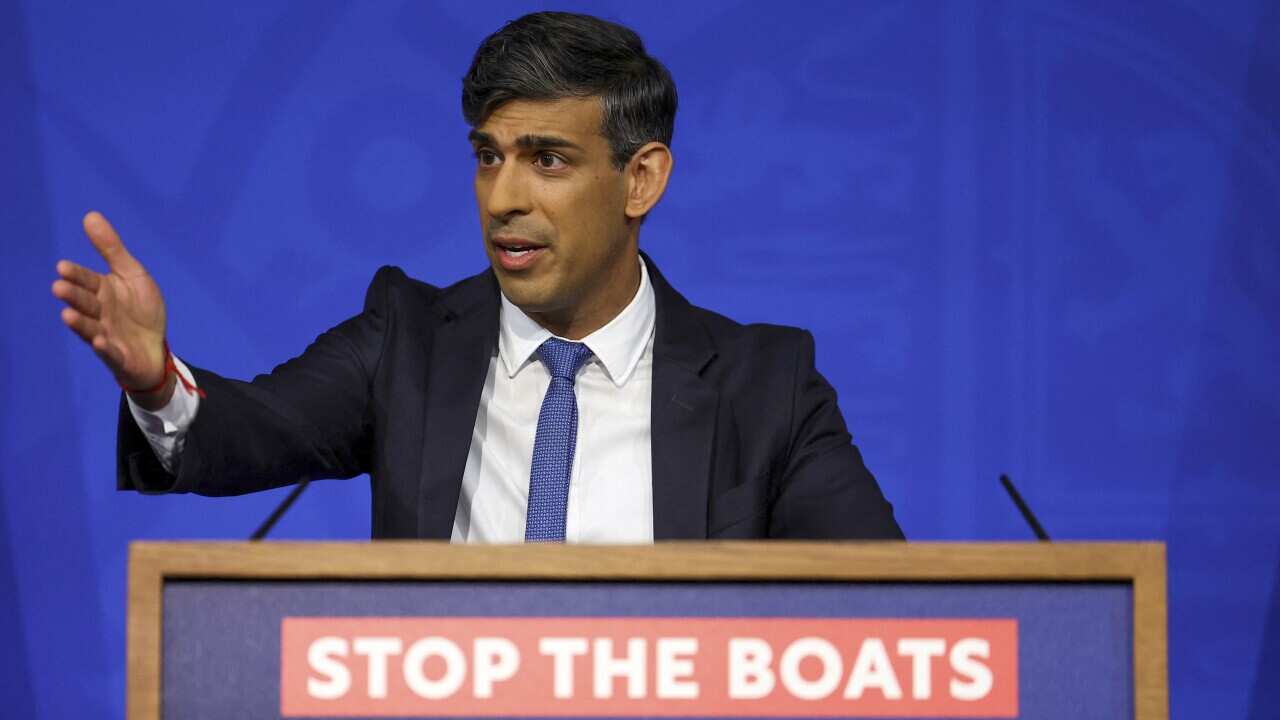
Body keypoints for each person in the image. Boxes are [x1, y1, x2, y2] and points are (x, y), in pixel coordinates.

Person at [50, 11, 903, 542]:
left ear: (640, 179)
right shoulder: (410, 342)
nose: (503, 197)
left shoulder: (766, 386)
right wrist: (160, 380)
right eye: (488, 158)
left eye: (549, 160)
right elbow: (246, 433)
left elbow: (891, 610)